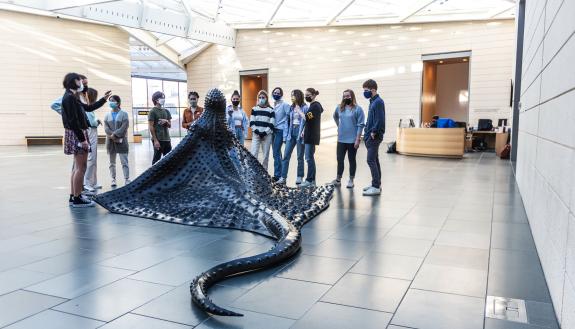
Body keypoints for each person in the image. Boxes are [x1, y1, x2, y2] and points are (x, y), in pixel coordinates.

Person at [61, 72, 110, 207]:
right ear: (73, 81)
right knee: (81, 167)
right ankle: (77, 198)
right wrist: (83, 140)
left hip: (76, 133)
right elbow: (73, 121)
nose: (82, 84)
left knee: (77, 167)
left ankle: (74, 195)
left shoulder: (72, 96)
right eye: (80, 81)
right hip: (78, 134)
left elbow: (88, 108)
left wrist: (103, 99)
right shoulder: (70, 98)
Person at [332, 89, 365, 188]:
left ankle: (351, 179)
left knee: (352, 160)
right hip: (341, 139)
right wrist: (339, 126)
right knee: (340, 159)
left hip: (352, 140)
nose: (346, 98)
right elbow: (335, 116)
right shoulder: (339, 108)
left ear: (352, 96)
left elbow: (361, 125)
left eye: (348, 96)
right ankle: (338, 179)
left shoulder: (358, 109)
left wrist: (358, 139)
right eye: (344, 96)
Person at [278, 89, 307, 185]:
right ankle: (283, 177)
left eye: (293, 95)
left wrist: (299, 111)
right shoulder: (291, 107)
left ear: (298, 96)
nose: (292, 97)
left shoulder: (305, 107)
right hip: (291, 133)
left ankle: (300, 176)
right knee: (285, 156)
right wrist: (285, 136)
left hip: (300, 133)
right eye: (291, 95)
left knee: (300, 156)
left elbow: (308, 120)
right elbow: (287, 122)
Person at [362, 79, 385, 196]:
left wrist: (373, 132)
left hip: (374, 136)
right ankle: (376, 184)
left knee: (370, 160)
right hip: (369, 135)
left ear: (373, 90)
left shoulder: (378, 102)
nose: (364, 92)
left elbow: (379, 119)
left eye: (366, 90)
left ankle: (376, 186)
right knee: (375, 160)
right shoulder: (373, 101)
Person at [104, 95, 130, 187]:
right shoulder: (107, 115)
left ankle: (127, 179)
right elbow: (106, 127)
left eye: (113, 100)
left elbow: (124, 126)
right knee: (112, 163)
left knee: (124, 162)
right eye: (110, 100)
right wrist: (111, 135)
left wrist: (115, 134)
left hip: (122, 141)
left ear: (118, 103)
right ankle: (113, 179)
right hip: (110, 142)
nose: (111, 102)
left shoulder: (124, 114)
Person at [300, 88, 323, 187]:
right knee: (309, 158)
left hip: (311, 136)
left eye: (308, 95)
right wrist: (304, 130)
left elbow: (306, 117)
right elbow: (310, 121)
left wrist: (298, 111)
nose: (306, 97)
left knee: (309, 158)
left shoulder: (315, 106)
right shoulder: (313, 106)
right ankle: (311, 180)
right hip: (309, 134)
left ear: (313, 95)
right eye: (305, 95)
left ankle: (310, 180)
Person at [249, 90, 275, 170]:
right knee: (254, 153)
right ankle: (254, 171)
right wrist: (258, 132)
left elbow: (272, 124)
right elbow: (252, 122)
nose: (261, 99)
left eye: (263, 97)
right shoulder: (254, 109)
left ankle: (264, 172)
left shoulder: (271, 110)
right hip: (256, 135)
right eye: (259, 97)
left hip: (267, 135)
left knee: (265, 155)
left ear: (266, 98)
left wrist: (264, 133)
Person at [83, 87, 101, 192]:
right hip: (90, 132)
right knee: (91, 158)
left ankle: (93, 181)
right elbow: (92, 123)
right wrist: (97, 121)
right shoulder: (87, 108)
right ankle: (87, 182)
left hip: (92, 132)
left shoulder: (89, 108)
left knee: (94, 158)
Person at [271, 87, 291, 182]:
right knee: (277, 153)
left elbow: (289, 117)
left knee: (276, 153)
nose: (276, 94)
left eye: (278, 93)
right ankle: (281, 174)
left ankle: (278, 175)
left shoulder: (285, 105)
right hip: (273, 131)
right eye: (274, 92)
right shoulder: (274, 105)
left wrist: (287, 133)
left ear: (281, 94)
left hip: (280, 130)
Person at [148, 91, 172, 165]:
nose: (163, 99)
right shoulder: (152, 112)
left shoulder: (166, 111)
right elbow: (151, 126)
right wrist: (155, 140)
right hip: (158, 139)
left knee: (168, 160)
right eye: (161, 98)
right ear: (156, 100)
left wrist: (166, 122)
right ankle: (153, 176)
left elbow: (170, 125)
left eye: (163, 98)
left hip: (167, 139)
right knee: (156, 159)